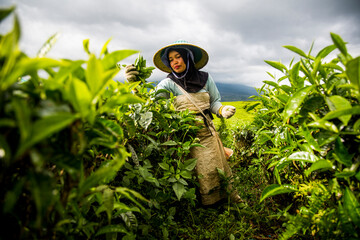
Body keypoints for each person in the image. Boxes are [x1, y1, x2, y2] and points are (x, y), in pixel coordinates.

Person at [125, 40, 241, 206]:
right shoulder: (168, 84)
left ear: (188, 58)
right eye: (171, 59)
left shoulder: (206, 79)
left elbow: (214, 102)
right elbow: (150, 104)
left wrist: (222, 110)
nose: (175, 62)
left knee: (214, 168)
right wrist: (135, 86)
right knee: (193, 172)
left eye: (178, 57)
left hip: (206, 133)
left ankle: (222, 200)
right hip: (184, 137)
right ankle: (197, 206)